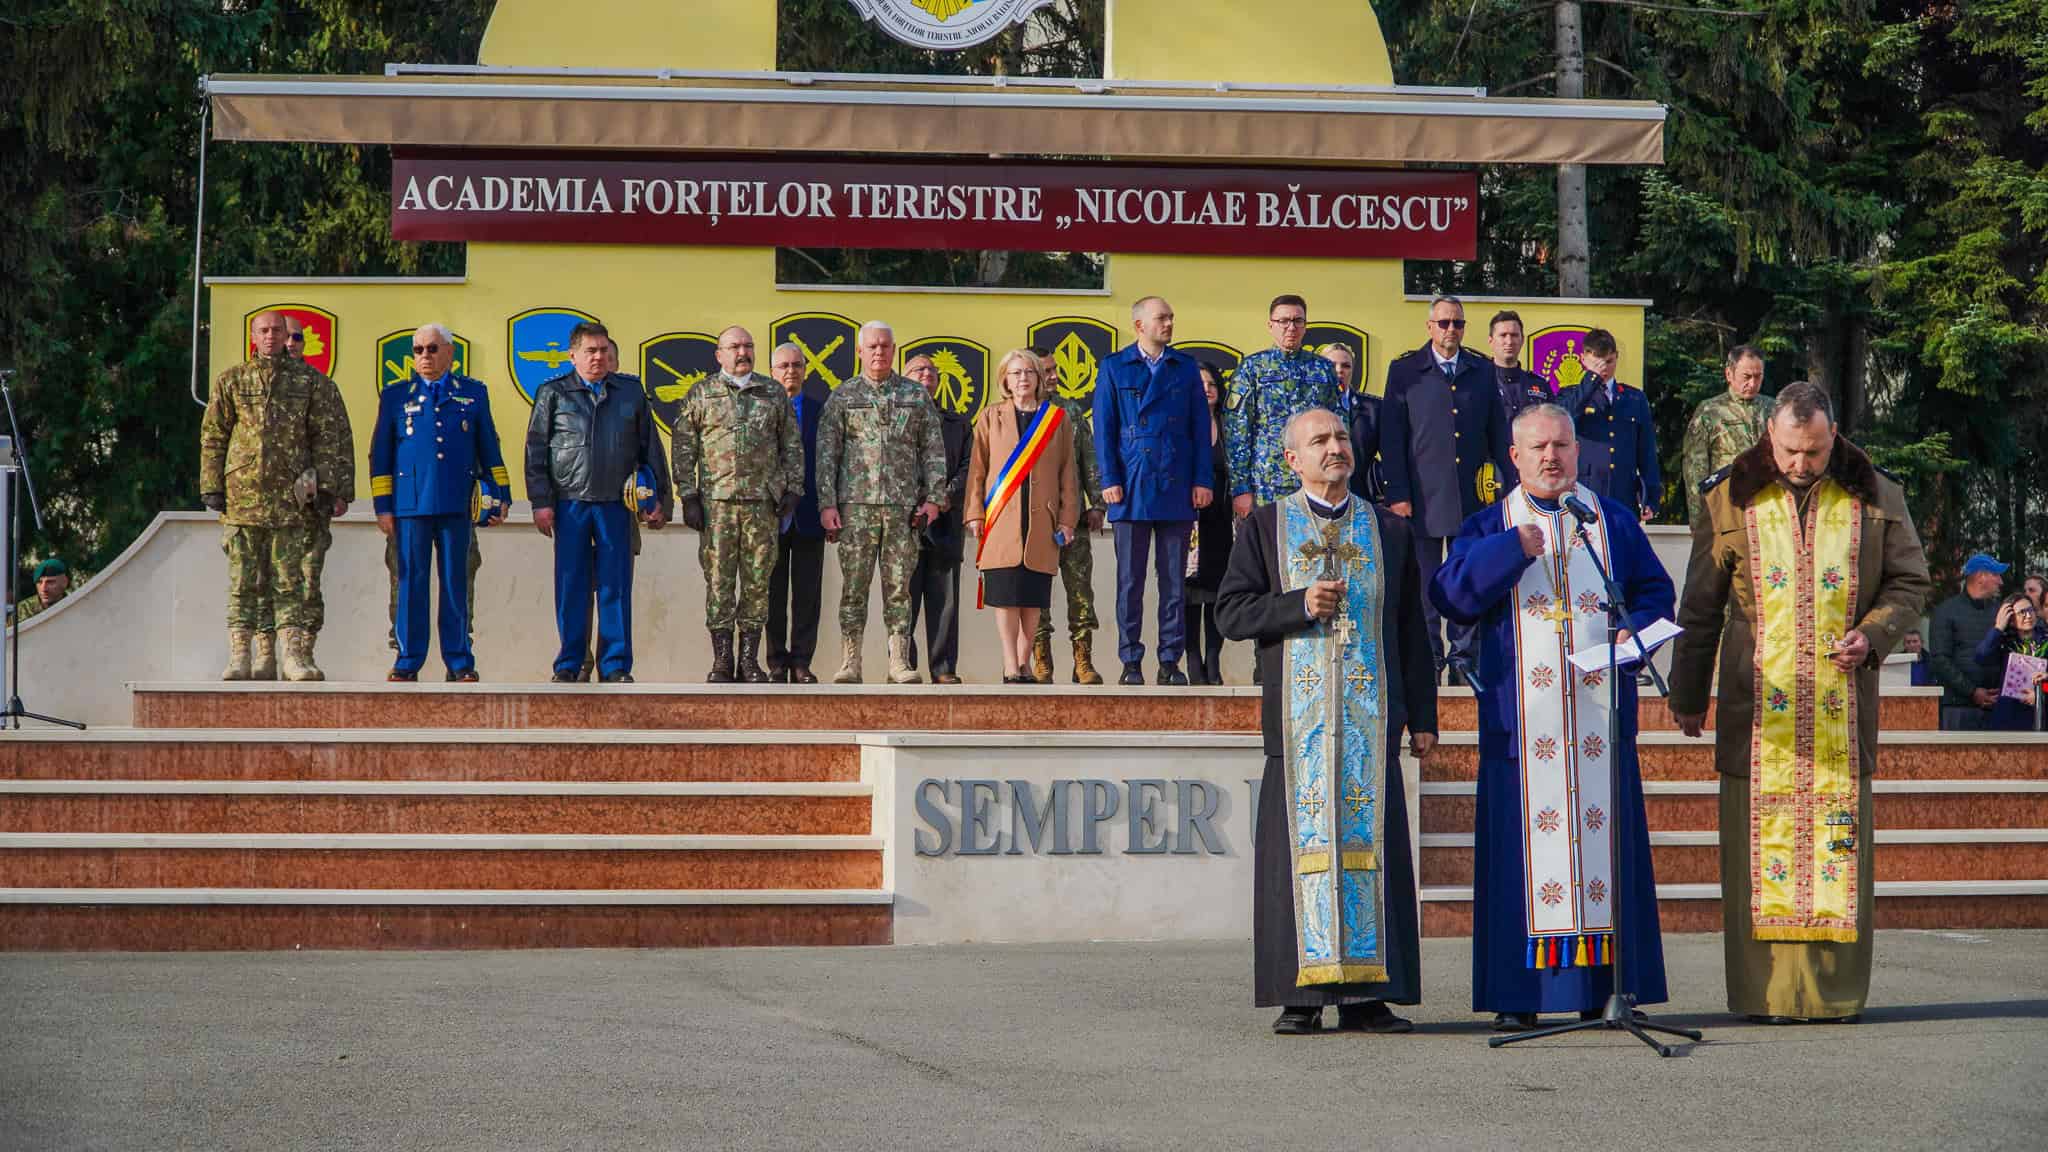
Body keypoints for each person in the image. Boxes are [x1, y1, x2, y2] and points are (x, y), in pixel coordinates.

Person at [1669, 382, 1930, 1024]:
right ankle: (1763, 993)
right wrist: (1687, 694)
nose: (1800, 464)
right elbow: (1701, 603)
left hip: (1841, 712)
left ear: (1833, 437)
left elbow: (1909, 581)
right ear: (1771, 437)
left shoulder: (1876, 492)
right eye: (1789, 450)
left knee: (1836, 847)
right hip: (1755, 713)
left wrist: (1871, 636)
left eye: (1813, 452)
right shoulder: (1730, 492)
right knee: (1755, 849)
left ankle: (1831, 995)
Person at [1430, 403, 1673, 1031]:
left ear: (1576, 451)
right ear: (1514, 456)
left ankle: (1607, 991)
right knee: (1519, 862)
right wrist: (1511, 550)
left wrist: (1631, 636)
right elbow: (1450, 594)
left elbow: (1652, 594)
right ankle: (1518, 997)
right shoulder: (1492, 524)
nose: (1551, 457)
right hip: (1521, 729)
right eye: (1537, 447)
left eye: (1561, 446)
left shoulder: (1608, 520)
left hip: (1599, 723)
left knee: (1606, 855)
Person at [1216, 407, 1438, 1036]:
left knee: (1374, 851)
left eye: (1340, 437)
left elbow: (1410, 631)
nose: (1334, 447)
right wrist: (1295, 605)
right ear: (1293, 459)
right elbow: (1230, 614)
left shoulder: (1386, 529)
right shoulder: (1265, 526)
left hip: (1370, 725)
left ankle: (1369, 995)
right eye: (1319, 441)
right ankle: (1301, 997)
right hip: (1299, 727)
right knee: (1298, 856)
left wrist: (1423, 713)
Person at [200, 309, 353, 682]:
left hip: (290, 501)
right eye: (264, 331)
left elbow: (326, 438)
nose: (271, 337)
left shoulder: (309, 382)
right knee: (243, 583)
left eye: (277, 331)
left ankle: (293, 655)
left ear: (287, 335)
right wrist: (211, 485)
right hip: (242, 499)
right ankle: (241, 654)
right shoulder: (232, 381)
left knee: (289, 582)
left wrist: (327, 486)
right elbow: (214, 435)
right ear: (254, 336)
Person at [525, 320, 670, 684]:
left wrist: (660, 500)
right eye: (590, 351)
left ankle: (615, 665)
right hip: (570, 505)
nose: (598, 357)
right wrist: (541, 502)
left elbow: (650, 450)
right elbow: (535, 451)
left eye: (604, 350)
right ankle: (570, 663)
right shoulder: (552, 394)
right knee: (571, 586)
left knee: (614, 587)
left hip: (616, 506)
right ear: (573, 356)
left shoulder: (630, 393)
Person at [1380, 294, 1513, 679]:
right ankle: (1428, 655)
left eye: (1457, 323)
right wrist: (1398, 494)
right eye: (1443, 323)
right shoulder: (1405, 371)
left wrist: (1507, 489)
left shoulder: (1480, 370)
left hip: (1470, 498)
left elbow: (1496, 432)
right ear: (1429, 327)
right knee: (1422, 583)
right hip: (1420, 497)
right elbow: (1392, 437)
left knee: (1466, 578)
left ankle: (1463, 655)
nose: (1450, 330)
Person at [369, 324, 509, 682]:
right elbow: (381, 453)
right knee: (410, 583)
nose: (424, 357)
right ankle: (408, 659)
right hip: (410, 505)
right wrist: (383, 506)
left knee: (455, 583)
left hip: (456, 503)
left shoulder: (473, 394)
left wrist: (501, 495)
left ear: (449, 353)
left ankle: (460, 659)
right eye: (418, 350)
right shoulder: (396, 396)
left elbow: (488, 448)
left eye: (432, 349)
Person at [816, 321, 948, 684]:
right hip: (855, 508)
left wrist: (934, 500)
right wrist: (827, 504)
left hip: (903, 510)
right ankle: (851, 660)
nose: (879, 352)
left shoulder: (915, 396)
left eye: (885, 346)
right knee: (854, 588)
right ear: (859, 352)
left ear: (894, 350)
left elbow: (933, 452)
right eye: (872, 346)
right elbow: (828, 455)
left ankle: (899, 661)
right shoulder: (842, 397)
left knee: (899, 589)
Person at [1094, 295, 1214, 686]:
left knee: (1174, 582)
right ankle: (1130, 661)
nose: (1169, 323)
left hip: (1175, 483)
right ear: (1139, 326)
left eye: (1171, 316)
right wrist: (1109, 479)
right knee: (1130, 581)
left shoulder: (1185, 368)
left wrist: (1202, 481)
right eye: (1161, 317)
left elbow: (1200, 429)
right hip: (1130, 484)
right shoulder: (1114, 367)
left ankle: (1169, 660)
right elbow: (1105, 429)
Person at [674, 325, 804, 684]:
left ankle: (749, 660)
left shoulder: (773, 392)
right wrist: (688, 495)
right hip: (716, 506)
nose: (742, 352)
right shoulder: (702, 393)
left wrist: (793, 490)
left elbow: (791, 445)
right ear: (719, 355)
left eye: (748, 346)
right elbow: (684, 447)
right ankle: (722, 660)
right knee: (718, 581)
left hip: (762, 506)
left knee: (757, 584)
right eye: (734, 346)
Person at [965, 350, 1080, 683]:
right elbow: (977, 469)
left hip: (1042, 519)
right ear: (1004, 379)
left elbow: (1067, 474)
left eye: (1028, 372)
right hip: (1001, 518)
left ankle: (1025, 660)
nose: (1023, 379)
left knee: (1033, 597)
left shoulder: (1056, 418)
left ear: (1039, 378)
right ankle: (1010, 662)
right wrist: (974, 512)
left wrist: (1068, 518)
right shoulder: (990, 417)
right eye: (1015, 373)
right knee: (1006, 595)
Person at [1224, 294, 1346, 519]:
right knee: (1269, 550)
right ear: (1271, 325)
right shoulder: (1252, 368)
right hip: (1267, 484)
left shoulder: (1323, 369)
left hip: (1316, 479)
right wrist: (1240, 488)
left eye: (1297, 321)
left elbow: (1338, 424)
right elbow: (1236, 431)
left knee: (1314, 549)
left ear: (1305, 326)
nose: (1291, 327)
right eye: (1283, 321)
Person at [1030, 347, 1106, 685]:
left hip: (1072, 517)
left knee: (1080, 592)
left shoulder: (1071, 410)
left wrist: (1098, 504)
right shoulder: (1017, 413)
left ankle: (1083, 661)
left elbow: (1089, 459)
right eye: (1047, 371)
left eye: (1055, 370)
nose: (1054, 376)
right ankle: (1041, 657)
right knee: (1035, 593)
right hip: (1033, 521)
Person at [905, 353, 972, 685]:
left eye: (931, 370)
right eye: (918, 370)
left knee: (944, 599)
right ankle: (905, 665)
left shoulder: (957, 423)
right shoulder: (897, 420)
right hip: (905, 521)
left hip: (945, 521)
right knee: (902, 599)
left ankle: (943, 666)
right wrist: (915, 501)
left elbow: (968, 467)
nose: (926, 374)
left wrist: (943, 498)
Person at [766, 342, 828, 684]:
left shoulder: (822, 411)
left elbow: (831, 464)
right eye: (783, 366)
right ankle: (776, 662)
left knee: (807, 595)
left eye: (797, 365)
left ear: (805, 370)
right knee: (771, 594)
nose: (791, 371)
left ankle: (802, 661)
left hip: (808, 517)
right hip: (769, 517)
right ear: (772, 372)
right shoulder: (761, 409)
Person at [1556, 329, 1660, 520]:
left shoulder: (1634, 398)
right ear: (1583, 359)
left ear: (1616, 358)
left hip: (1623, 493)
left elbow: (1646, 452)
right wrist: (1591, 379)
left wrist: (1651, 497)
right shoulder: (1570, 395)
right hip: (1585, 491)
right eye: (1597, 363)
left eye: (1609, 362)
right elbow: (1564, 420)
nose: (1604, 368)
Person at [1184, 363, 1234, 684]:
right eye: (1200, 383)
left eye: (1211, 382)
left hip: (1222, 518)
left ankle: (1214, 659)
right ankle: (1192, 660)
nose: (1206, 388)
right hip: (1187, 517)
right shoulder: (1183, 424)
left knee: (1219, 591)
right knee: (1188, 592)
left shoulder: (1230, 425)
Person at [1682, 346, 1769, 523]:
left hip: (1767, 508)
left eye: (1758, 376)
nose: (1752, 384)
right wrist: (1698, 520)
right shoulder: (1710, 411)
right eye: (1747, 377)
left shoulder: (1774, 410)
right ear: (1729, 374)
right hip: (1725, 508)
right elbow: (1694, 468)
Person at [1928, 554, 2009, 729]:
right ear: (1981, 577)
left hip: (1996, 706)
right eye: (1996, 575)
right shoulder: (1946, 612)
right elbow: (1940, 660)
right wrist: (1972, 691)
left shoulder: (1999, 611)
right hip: (1958, 708)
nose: (2001, 582)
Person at [1973, 593, 2048, 730]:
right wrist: (1998, 628)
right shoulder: (2004, 641)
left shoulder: (2046, 639)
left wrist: (2041, 693)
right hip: (2008, 715)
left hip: (2040, 714)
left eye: (2030, 610)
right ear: (2011, 619)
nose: (2028, 616)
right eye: (2021, 612)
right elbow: (1980, 657)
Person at [1321, 345, 1384, 504]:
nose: (1339, 370)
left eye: (1346, 365)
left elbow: (1392, 457)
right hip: (1317, 497)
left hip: (1360, 498)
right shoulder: (1306, 408)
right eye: (1332, 364)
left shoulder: (1374, 408)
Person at [1482, 310, 1556, 425]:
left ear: (1522, 340)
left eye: (1514, 335)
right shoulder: (1478, 383)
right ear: (1490, 341)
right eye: (1503, 335)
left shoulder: (1540, 385)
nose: (1509, 341)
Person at [12, 558, 73, 624]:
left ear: (64, 582)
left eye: (50, 582)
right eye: (39, 582)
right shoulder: (23, 610)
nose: (43, 589)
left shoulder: (73, 605)